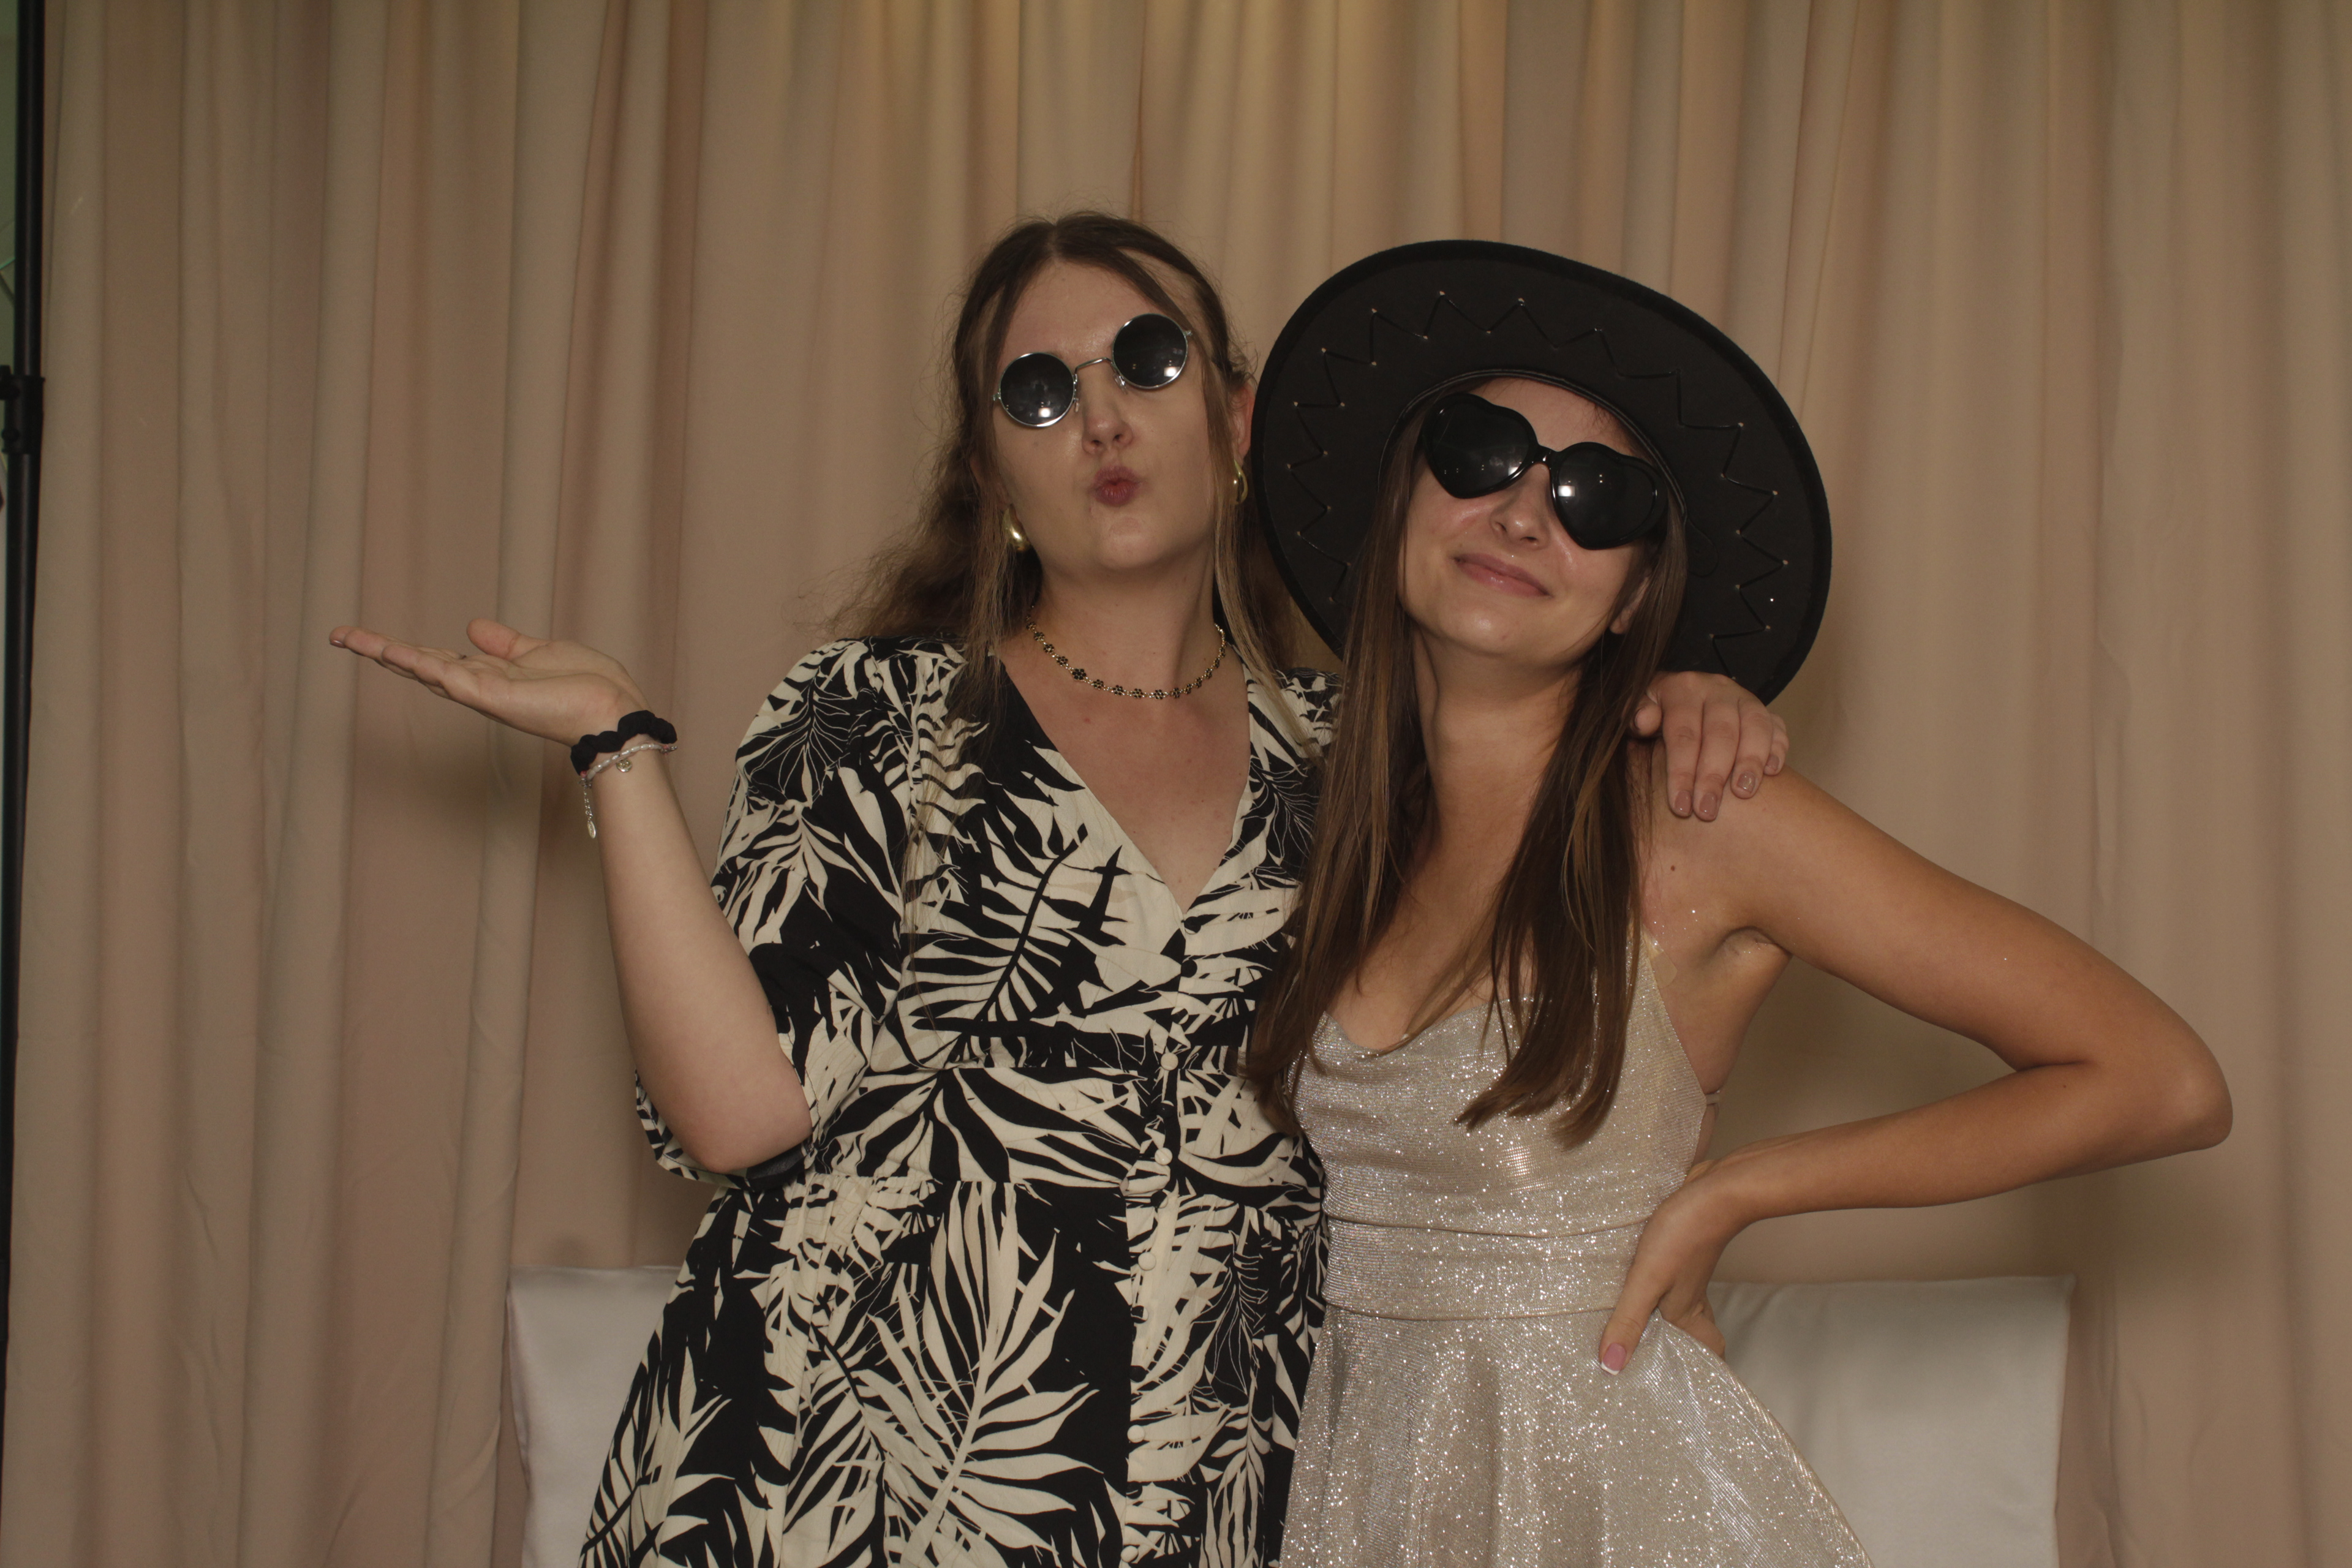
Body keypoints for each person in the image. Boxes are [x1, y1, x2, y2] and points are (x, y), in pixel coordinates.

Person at [329, 216, 1785, 1566]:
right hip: (824, 1477)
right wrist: (617, 750)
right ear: (990, 470)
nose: (1100, 416)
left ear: (1236, 416)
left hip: (1200, 1493)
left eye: (1147, 361)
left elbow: (1544, 917)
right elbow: (738, 1114)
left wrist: (1682, 696)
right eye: (1038, 390)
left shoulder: (1363, 765)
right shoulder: (872, 713)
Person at [1245, 241, 2232, 1566]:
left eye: (1598, 497)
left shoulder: (1697, 817)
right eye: (1482, 452)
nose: (1526, 512)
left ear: (1634, 599)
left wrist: (1737, 1191)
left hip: (1620, 1513)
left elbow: (2161, 1079)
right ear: (1398, 502)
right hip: (1368, 1502)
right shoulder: (1335, 831)